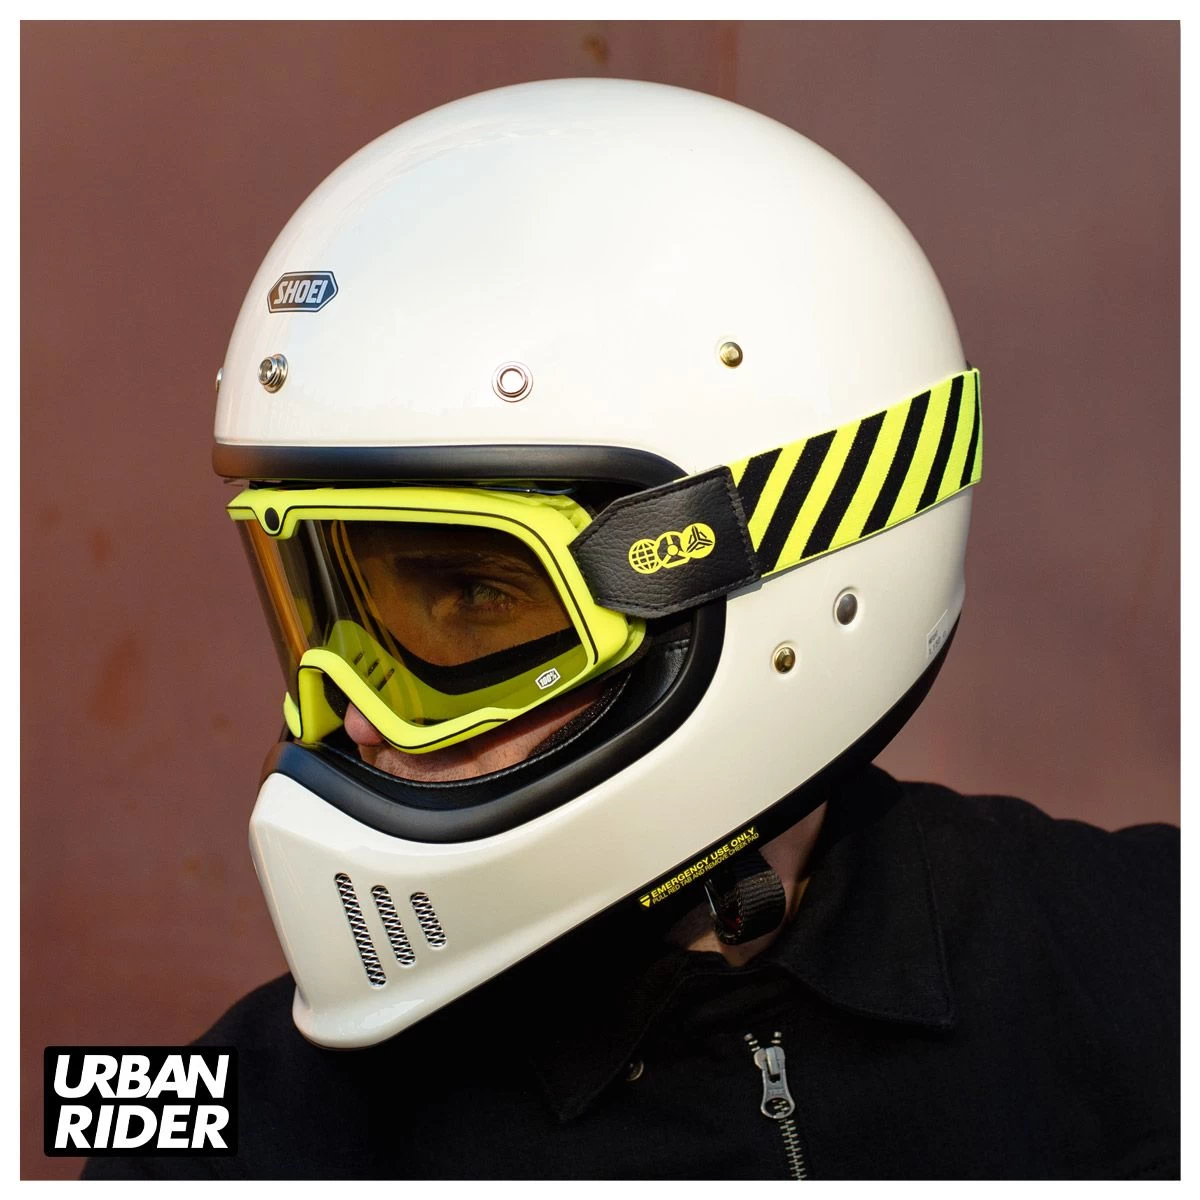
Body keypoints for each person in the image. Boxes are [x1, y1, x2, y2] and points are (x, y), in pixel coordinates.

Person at [84, 77, 1178, 1181]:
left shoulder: (1145, 962)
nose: (358, 725)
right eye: (337, 614)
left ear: (755, 578)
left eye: (474, 600)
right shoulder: (222, 1131)